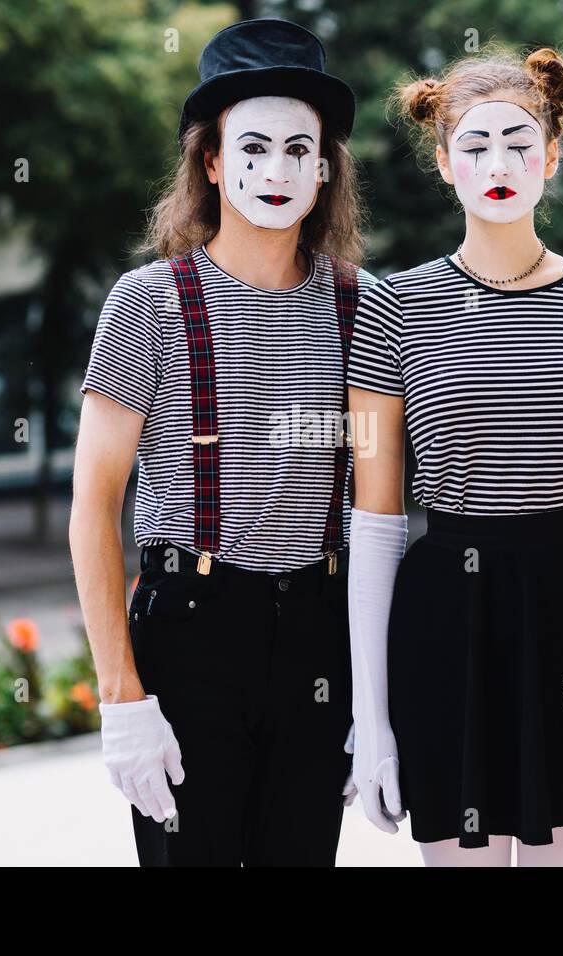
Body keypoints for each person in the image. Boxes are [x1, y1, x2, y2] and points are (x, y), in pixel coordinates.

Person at [344, 45, 563, 867]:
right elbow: (375, 521)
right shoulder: (392, 306)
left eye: (517, 142)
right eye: (474, 145)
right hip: (446, 622)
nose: (497, 163)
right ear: (443, 164)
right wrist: (371, 719)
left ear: (552, 155)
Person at [69, 18, 377, 866]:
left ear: (324, 168)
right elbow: (93, 507)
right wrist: (121, 699)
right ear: (211, 161)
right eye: (251, 148)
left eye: (297, 150)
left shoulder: (366, 307)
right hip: (191, 635)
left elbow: (381, 510)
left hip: (321, 634)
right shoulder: (147, 304)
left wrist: (378, 695)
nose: (274, 172)